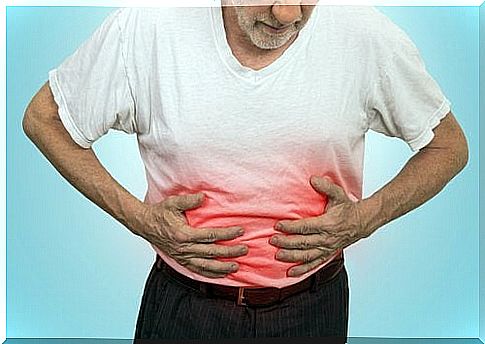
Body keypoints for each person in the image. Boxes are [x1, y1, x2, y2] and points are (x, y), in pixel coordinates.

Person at [22, 0, 469, 342]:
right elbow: (44, 118)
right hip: (183, 307)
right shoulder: (146, 29)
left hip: (312, 307)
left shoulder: (365, 35)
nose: (287, 13)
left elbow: (449, 146)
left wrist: (364, 219)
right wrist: (141, 220)